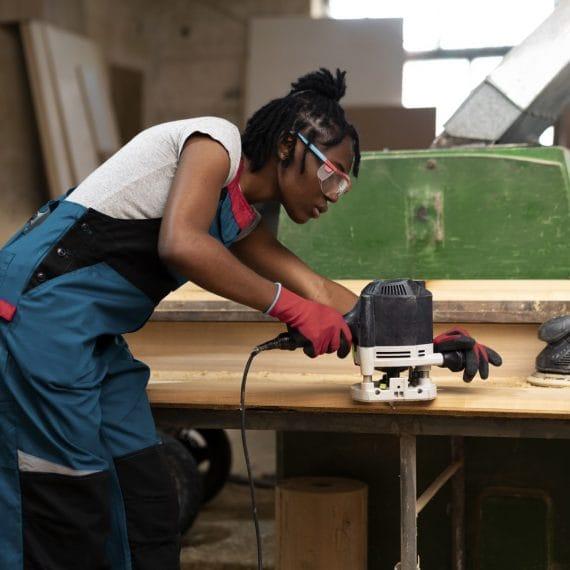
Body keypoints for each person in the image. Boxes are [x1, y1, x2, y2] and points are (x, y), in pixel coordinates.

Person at [0, 68, 499, 569]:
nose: (332, 195)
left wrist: (421, 341)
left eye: (342, 186)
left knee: (145, 502)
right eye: (331, 175)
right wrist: (289, 307)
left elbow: (318, 289)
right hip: (39, 317)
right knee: (64, 505)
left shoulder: (239, 220)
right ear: (288, 145)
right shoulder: (214, 142)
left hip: (95, 340)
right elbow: (181, 242)